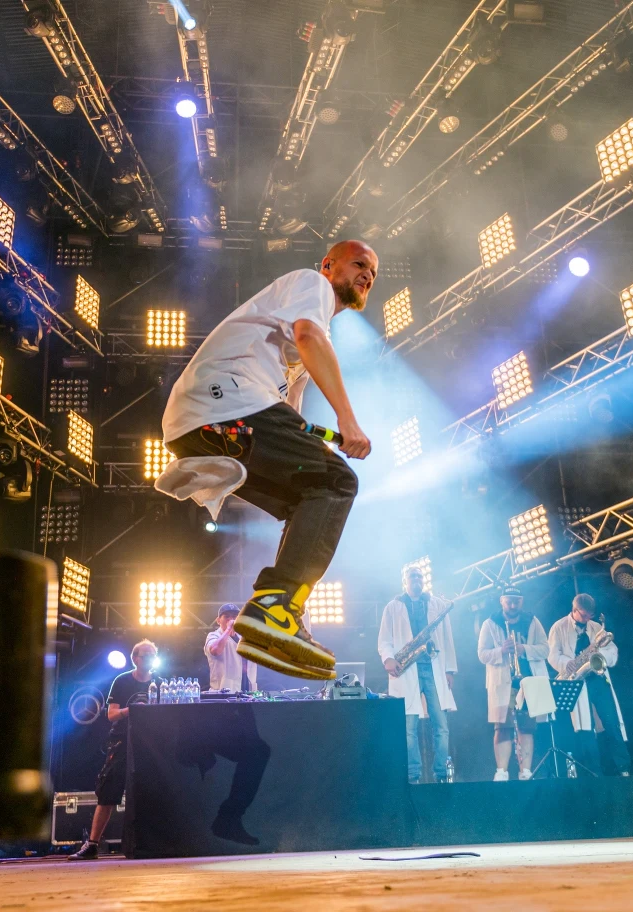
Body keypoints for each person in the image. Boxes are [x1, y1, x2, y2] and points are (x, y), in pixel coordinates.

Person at [161, 241, 378, 681]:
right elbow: (309, 337)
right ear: (329, 265)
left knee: (311, 496)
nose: (367, 275)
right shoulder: (310, 284)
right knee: (339, 483)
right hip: (225, 401)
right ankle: (274, 605)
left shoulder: (290, 350)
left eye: (373, 273)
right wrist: (347, 421)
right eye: (359, 264)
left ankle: (277, 616)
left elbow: (289, 420)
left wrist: (313, 446)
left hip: (204, 421)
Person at [68, 640, 159, 860]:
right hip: (121, 741)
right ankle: (92, 845)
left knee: (152, 792)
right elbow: (111, 715)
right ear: (135, 658)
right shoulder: (122, 681)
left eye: (153, 655)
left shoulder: (159, 683)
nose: (149, 659)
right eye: (145, 655)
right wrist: (134, 710)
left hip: (149, 744)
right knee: (108, 793)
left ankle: (151, 842)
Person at [378, 565, 458, 784]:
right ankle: (413, 775)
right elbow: (384, 639)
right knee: (408, 727)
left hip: (433, 668)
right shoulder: (393, 606)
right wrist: (388, 658)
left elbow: (448, 637)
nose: (417, 579)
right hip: (406, 669)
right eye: (412, 576)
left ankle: (441, 774)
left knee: (441, 725)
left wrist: (450, 669)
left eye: (420, 576)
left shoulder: (437, 605)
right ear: (404, 581)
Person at [548, 594, 629, 776]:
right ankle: (594, 773)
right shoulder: (558, 627)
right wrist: (565, 663)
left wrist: (601, 658)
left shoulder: (596, 627)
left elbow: (612, 650)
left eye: (590, 616)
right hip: (576, 679)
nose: (587, 620)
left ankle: (623, 768)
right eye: (584, 616)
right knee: (586, 728)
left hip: (597, 679)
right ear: (574, 610)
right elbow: (552, 654)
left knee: (612, 722)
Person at [477, 586, 550, 781]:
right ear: (501, 601)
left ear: (522, 601)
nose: (512, 604)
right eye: (508, 600)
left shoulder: (532, 621)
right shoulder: (490, 623)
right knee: (502, 726)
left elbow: (545, 649)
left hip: (529, 680)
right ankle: (502, 771)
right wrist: (501, 650)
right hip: (503, 682)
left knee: (527, 727)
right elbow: (482, 654)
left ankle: (525, 770)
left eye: (516, 600)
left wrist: (523, 649)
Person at [205, 604, 259, 693]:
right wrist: (228, 629)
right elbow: (215, 650)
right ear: (218, 620)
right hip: (224, 693)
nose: (231, 620)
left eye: (234, 617)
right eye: (226, 617)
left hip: (248, 691)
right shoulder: (214, 635)